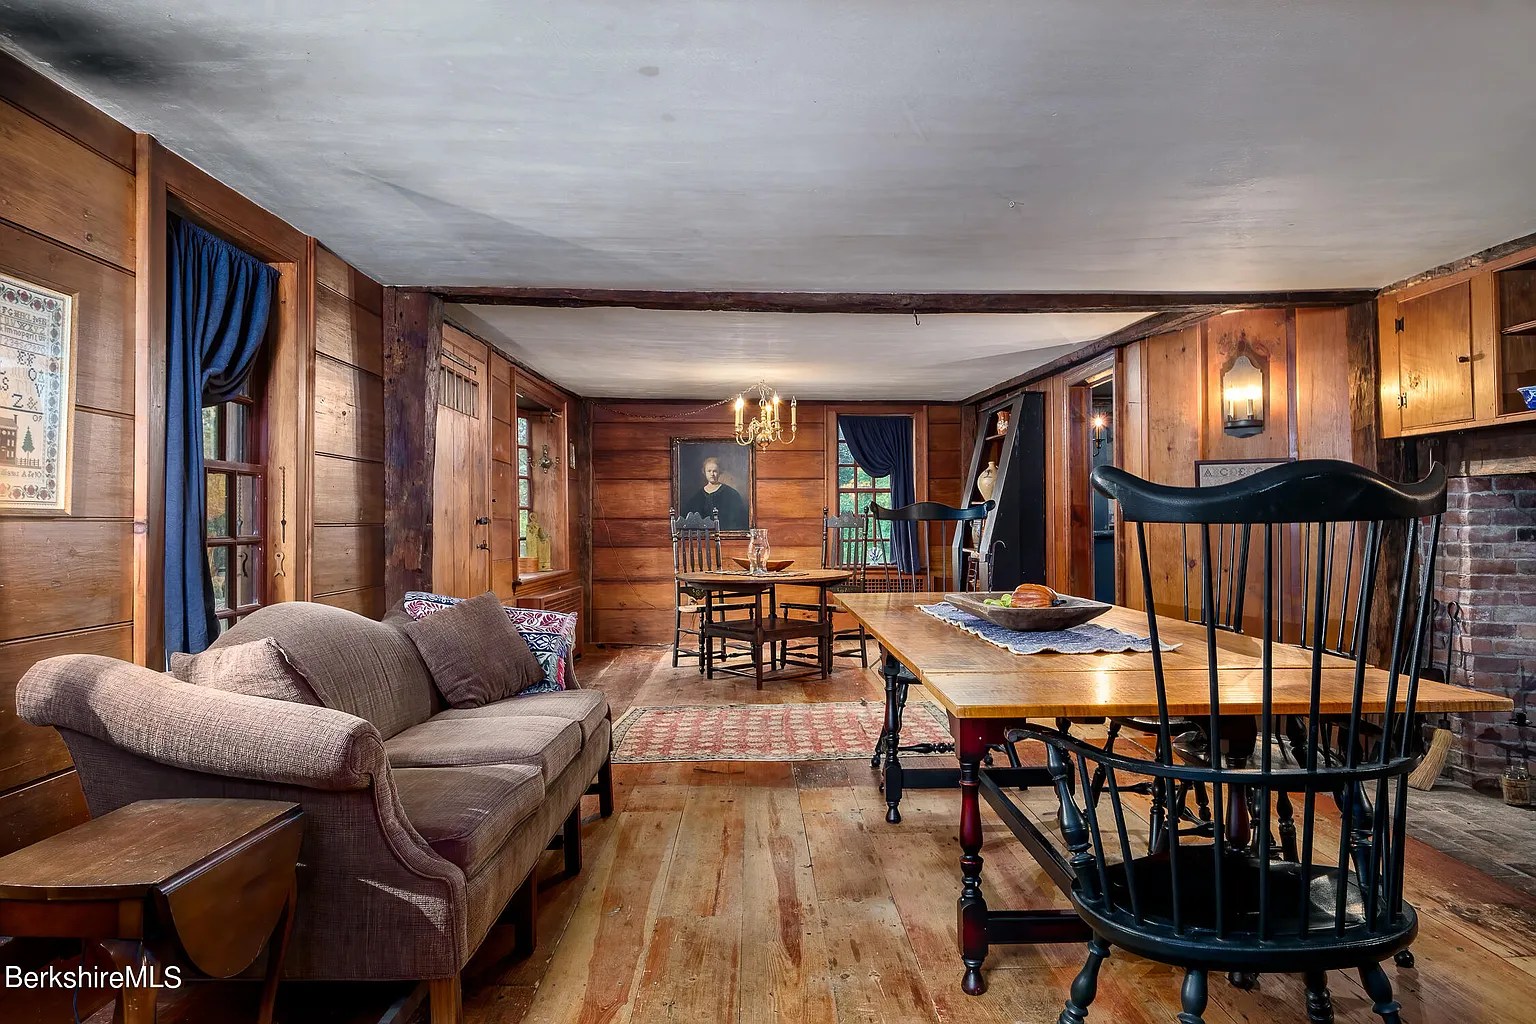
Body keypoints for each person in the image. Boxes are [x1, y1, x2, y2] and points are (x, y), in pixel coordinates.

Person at [681, 455, 749, 530]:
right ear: (704, 472)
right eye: (709, 471)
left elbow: (740, 520)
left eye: (715, 471)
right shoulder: (697, 497)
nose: (712, 474)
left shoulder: (731, 494)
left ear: (720, 472)